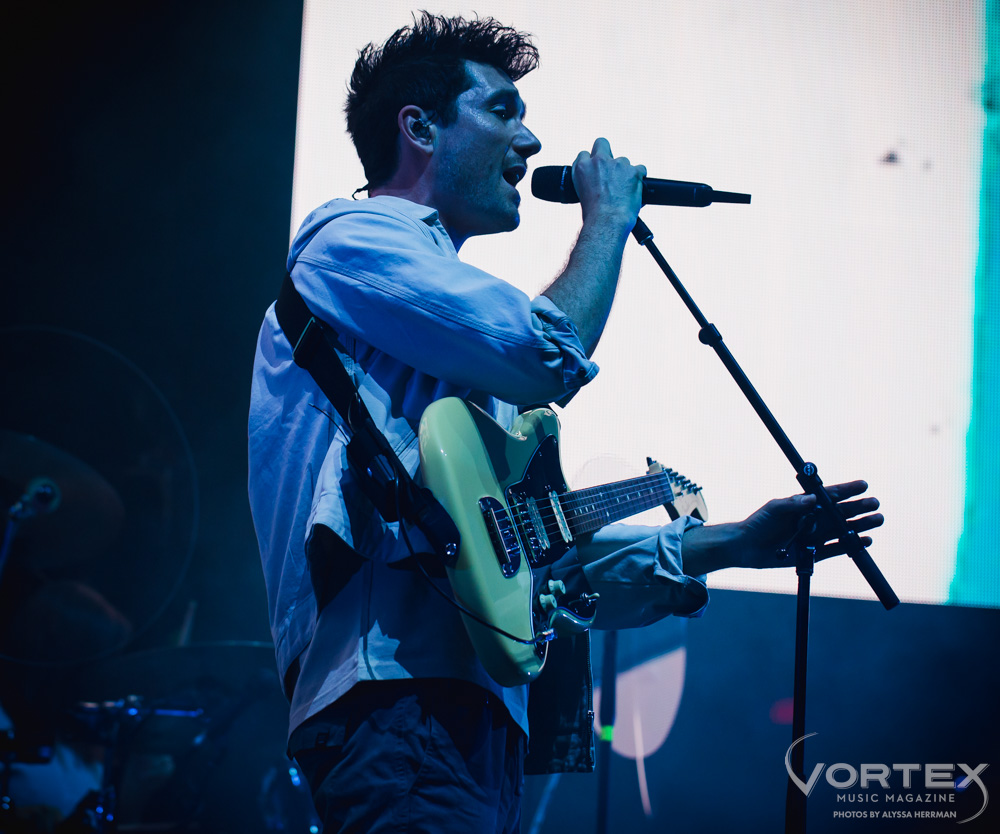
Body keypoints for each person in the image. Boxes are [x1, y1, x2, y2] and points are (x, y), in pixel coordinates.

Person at [248, 13, 883, 833]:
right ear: (420, 128)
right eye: (503, 110)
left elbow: (540, 567)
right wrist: (608, 222)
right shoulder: (352, 239)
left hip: (469, 716)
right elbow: (549, 354)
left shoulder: (453, 359)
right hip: (396, 697)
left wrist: (734, 544)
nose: (531, 139)